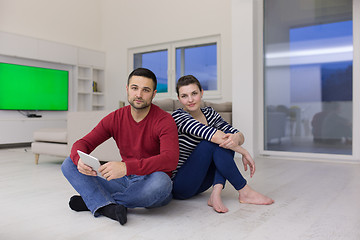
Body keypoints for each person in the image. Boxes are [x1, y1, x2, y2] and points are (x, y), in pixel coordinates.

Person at [61, 68, 179, 225]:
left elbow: (170, 160)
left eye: (146, 90)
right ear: (127, 89)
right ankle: (106, 205)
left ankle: (97, 202)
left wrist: (126, 167)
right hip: (123, 181)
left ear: (154, 94)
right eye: (134, 88)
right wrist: (78, 160)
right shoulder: (116, 117)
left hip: (150, 182)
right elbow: (83, 143)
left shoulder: (164, 120)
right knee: (69, 163)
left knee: (162, 183)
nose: (139, 94)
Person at [171, 75, 274, 213]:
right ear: (179, 99)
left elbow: (237, 135)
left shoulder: (210, 113)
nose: (190, 100)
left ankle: (216, 193)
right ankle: (245, 191)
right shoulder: (178, 116)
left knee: (228, 140)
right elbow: (209, 134)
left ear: (201, 92)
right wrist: (244, 151)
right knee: (211, 143)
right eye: (184, 96)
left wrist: (236, 138)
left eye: (194, 93)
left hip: (202, 183)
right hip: (181, 185)